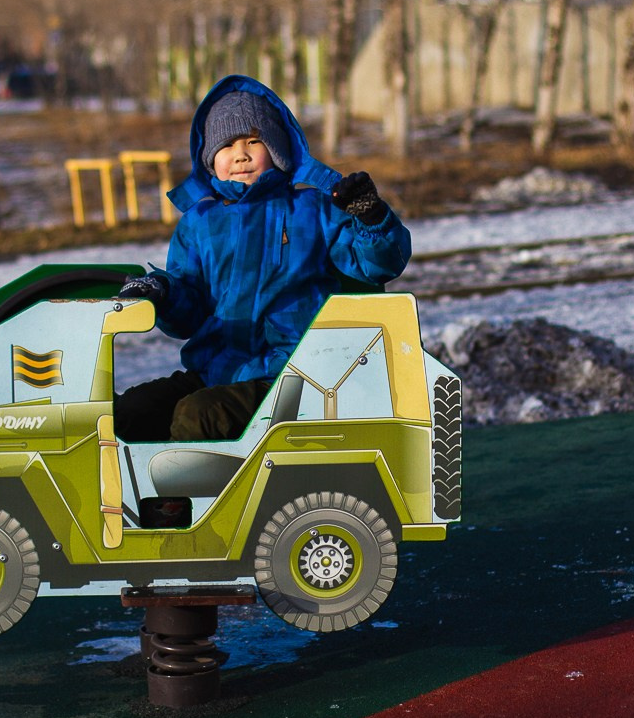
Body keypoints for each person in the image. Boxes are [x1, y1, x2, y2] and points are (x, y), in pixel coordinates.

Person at [114, 74, 411, 442]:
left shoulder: (311, 210)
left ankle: (186, 500)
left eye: (253, 141)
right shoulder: (200, 222)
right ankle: (127, 497)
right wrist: (163, 293)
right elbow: (188, 313)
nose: (239, 153)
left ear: (278, 148)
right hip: (216, 369)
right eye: (225, 145)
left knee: (199, 417)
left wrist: (371, 218)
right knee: (130, 412)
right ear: (209, 159)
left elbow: (377, 264)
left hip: (293, 375)